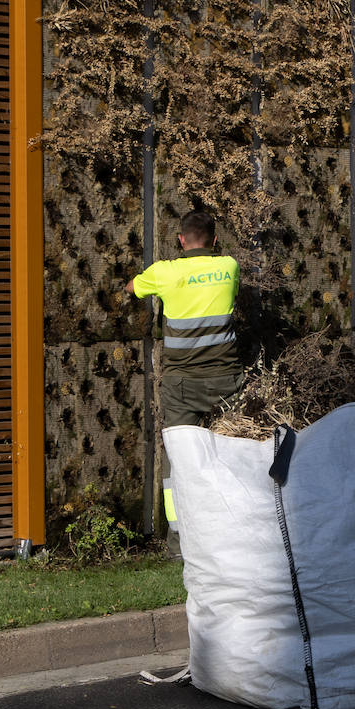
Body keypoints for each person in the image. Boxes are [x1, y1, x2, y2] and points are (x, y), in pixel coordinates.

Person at [125, 210, 242, 554]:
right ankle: (232, 532)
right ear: (215, 240)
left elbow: (132, 288)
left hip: (181, 385)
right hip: (226, 380)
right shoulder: (229, 267)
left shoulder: (164, 272)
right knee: (232, 454)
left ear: (180, 240)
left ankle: (177, 541)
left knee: (180, 460)